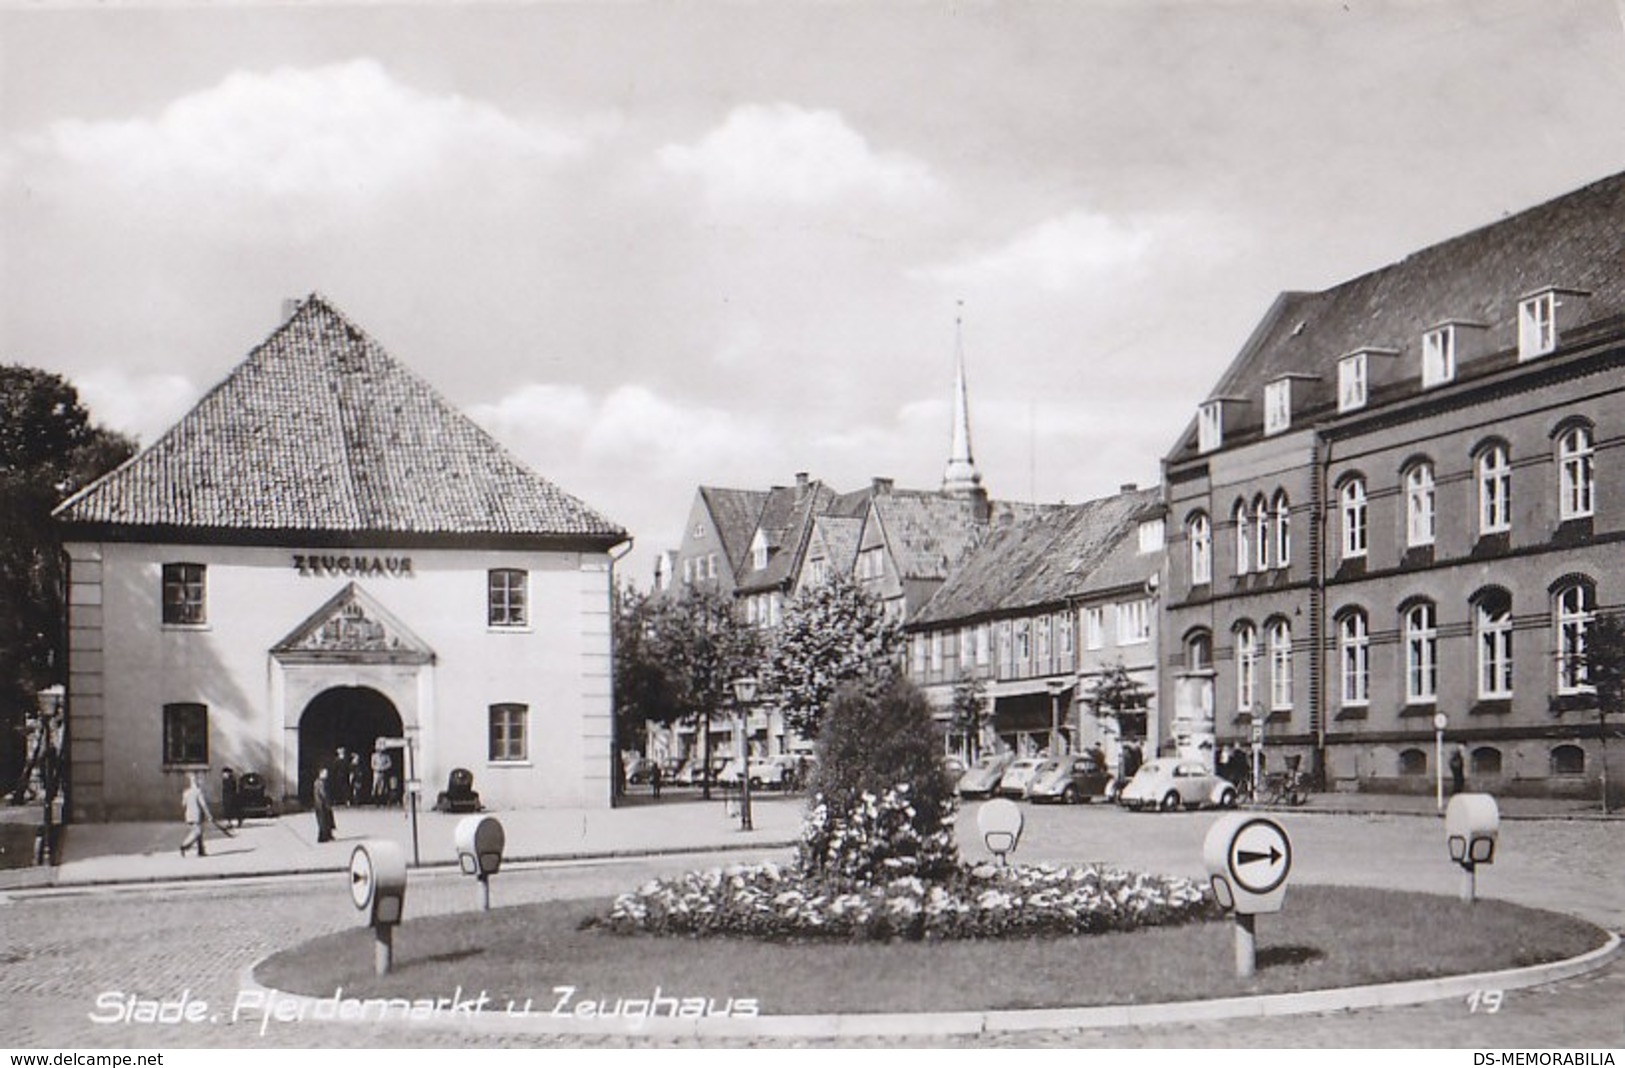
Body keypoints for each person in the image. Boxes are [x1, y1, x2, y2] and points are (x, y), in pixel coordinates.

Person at [180, 771, 212, 857]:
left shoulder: (186, 793)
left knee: (199, 832)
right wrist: (209, 815)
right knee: (197, 832)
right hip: (196, 815)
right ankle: (184, 846)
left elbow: (183, 804)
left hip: (188, 815)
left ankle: (201, 851)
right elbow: (203, 804)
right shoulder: (198, 792)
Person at [313, 767, 337, 842]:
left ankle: (328, 835)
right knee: (323, 821)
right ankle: (323, 837)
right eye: (325, 773)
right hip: (321, 804)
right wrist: (328, 801)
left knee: (327, 820)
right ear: (321, 773)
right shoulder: (320, 782)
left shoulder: (323, 782)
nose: (327, 774)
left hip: (323, 804)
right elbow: (323, 793)